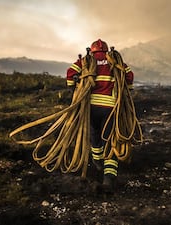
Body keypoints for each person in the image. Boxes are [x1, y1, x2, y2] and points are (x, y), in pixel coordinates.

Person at [66, 39, 134, 192]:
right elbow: (129, 76)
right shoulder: (115, 60)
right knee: (110, 142)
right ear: (106, 50)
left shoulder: (85, 60)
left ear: (92, 50)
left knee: (95, 137)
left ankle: (98, 164)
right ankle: (109, 178)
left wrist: (73, 87)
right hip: (110, 109)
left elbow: (70, 73)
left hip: (90, 109)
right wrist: (125, 89)